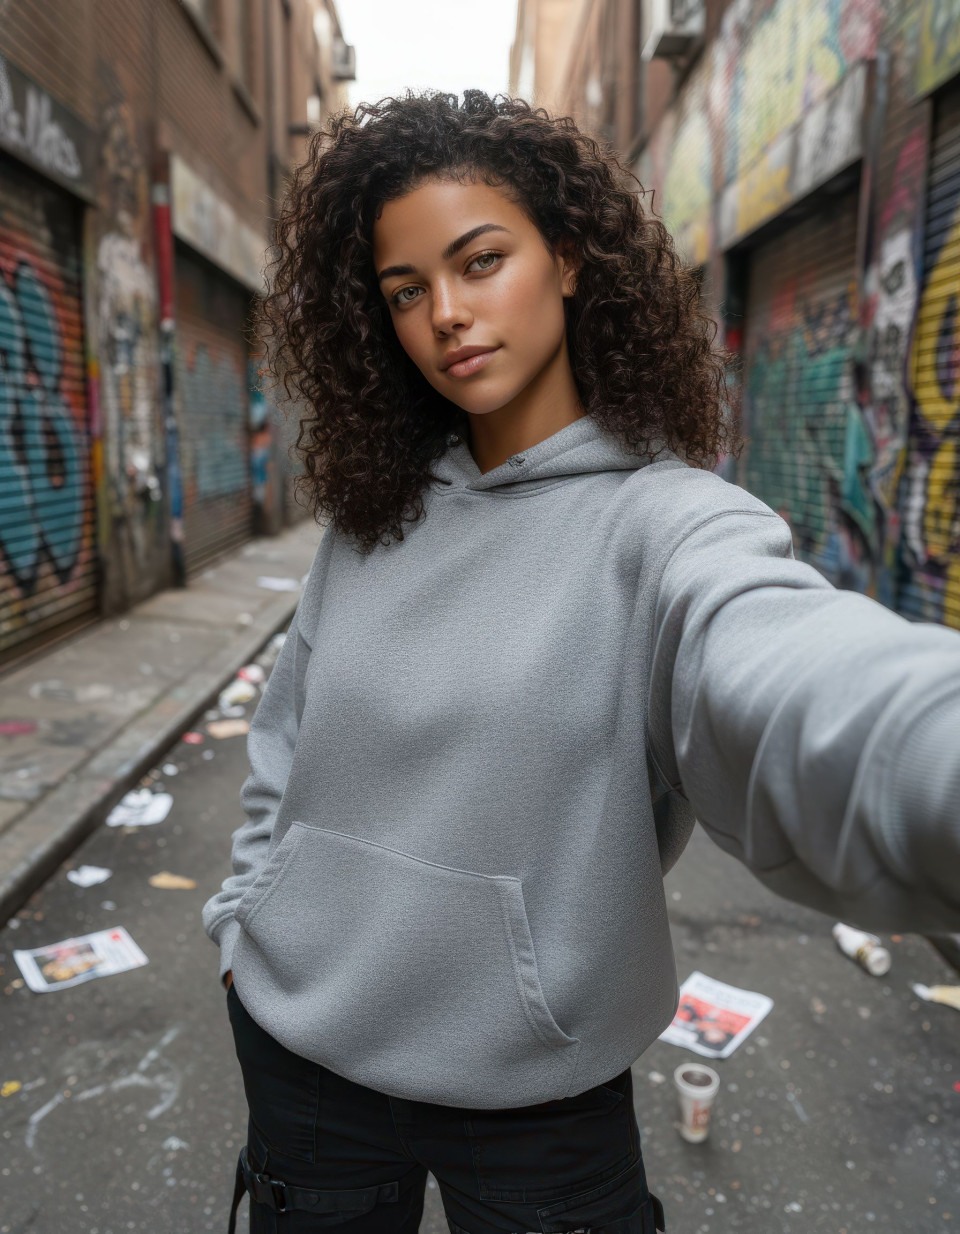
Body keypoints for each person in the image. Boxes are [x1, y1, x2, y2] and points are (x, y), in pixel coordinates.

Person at [202, 90, 960, 1234]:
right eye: (406, 292)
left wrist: (928, 758)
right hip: (305, 1059)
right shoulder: (369, 522)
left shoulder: (669, 528)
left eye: (480, 261)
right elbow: (287, 743)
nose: (446, 315)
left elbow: (790, 673)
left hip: (540, 1097)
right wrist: (239, 917)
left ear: (566, 257)